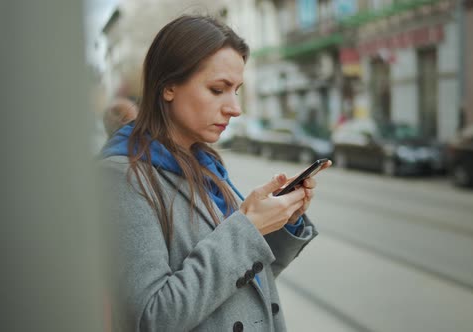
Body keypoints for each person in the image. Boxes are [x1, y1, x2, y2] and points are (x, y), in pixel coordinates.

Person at [100, 15, 331, 331]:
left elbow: (239, 288)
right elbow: (152, 317)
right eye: (217, 89)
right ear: (168, 86)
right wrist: (247, 228)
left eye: (236, 90)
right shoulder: (122, 178)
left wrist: (277, 220)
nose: (235, 108)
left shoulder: (205, 165)